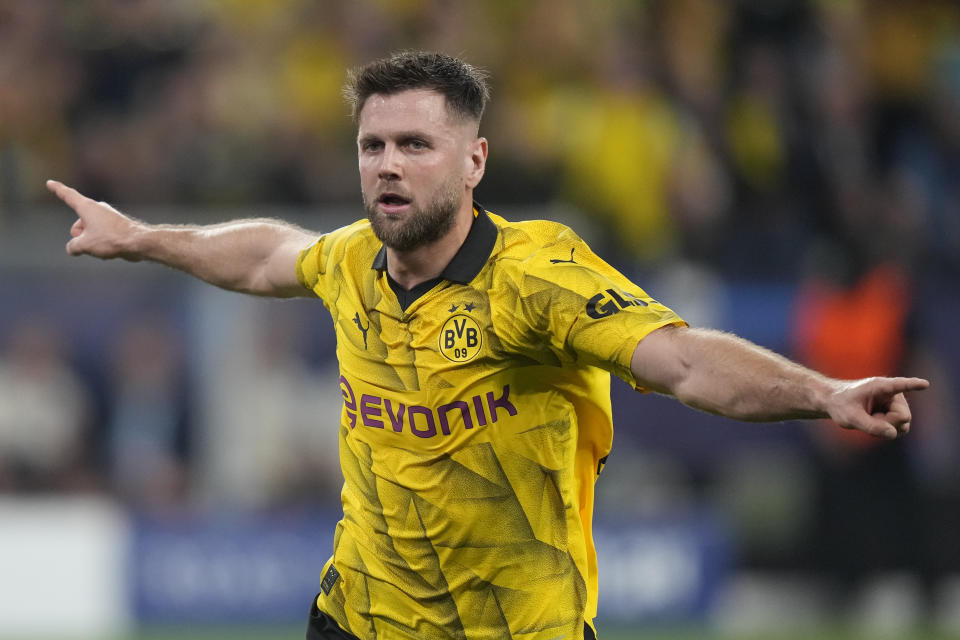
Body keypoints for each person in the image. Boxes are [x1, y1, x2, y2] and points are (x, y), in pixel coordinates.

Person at [47, 51, 929, 640]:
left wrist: (822, 393)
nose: (388, 165)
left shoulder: (538, 276)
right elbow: (268, 253)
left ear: (473, 161)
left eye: (416, 146)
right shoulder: (352, 259)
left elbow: (686, 358)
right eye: (374, 146)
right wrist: (144, 237)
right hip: (360, 618)